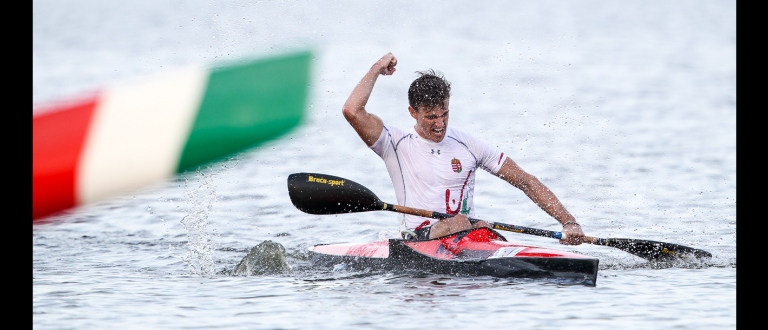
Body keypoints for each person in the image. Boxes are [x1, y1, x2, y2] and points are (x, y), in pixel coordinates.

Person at [342, 52, 585, 245]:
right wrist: (376, 69)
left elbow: (525, 181)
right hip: (418, 239)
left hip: (466, 234)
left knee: (480, 226)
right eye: (431, 117)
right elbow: (352, 111)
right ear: (412, 112)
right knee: (459, 222)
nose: (440, 124)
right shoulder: (393, 142)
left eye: (445, 113)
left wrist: (568, 222)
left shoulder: (468, 145)